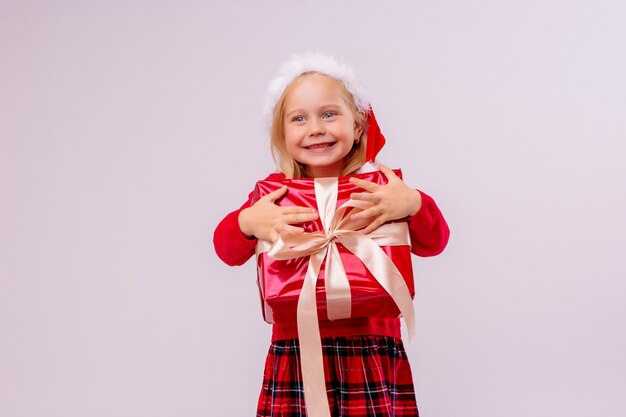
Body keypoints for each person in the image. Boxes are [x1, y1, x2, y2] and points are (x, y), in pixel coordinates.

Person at [213, 52, 450, 417]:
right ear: (282, 133)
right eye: (299, 119)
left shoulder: (382, 186)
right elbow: (226, 250)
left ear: (358, 126)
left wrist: (414, 203)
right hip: (296, 348)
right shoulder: (274, 194)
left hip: (371, 345)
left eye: (329, 114)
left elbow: (435, 242)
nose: (315, 128)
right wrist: (247, 223)